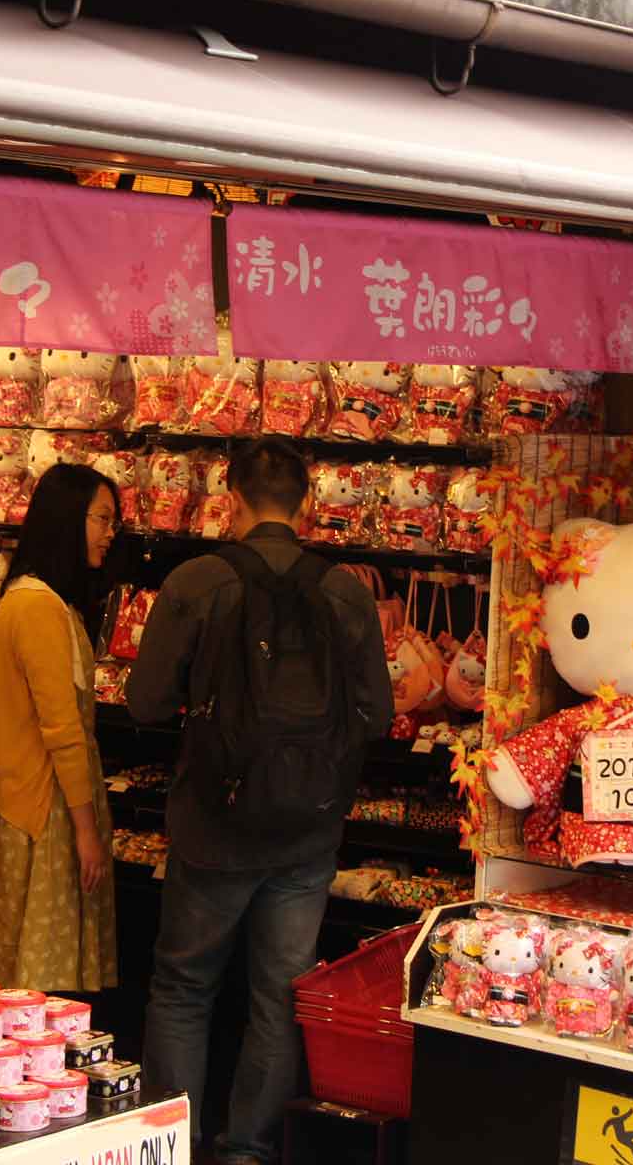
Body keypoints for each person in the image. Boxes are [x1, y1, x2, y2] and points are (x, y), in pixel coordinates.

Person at [129, 436, 392, 1165]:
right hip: (307, 830)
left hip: (214, 820)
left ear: (232, 498)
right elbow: (380, 713)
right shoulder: (344, 591)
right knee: (281, 992)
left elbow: (145, 702)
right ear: (307, 503)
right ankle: (247, 1151)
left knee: (183, 986)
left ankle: (168, 1148)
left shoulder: (197, 583)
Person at [0, 462, 120, 992]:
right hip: (40, 810)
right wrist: (87, 831)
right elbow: (61, 728)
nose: (110, 534)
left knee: (7, 967)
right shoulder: (40, 607)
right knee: (34, 978)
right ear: (69, 519)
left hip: (24, 797)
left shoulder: (31, 598)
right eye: (102, 519)